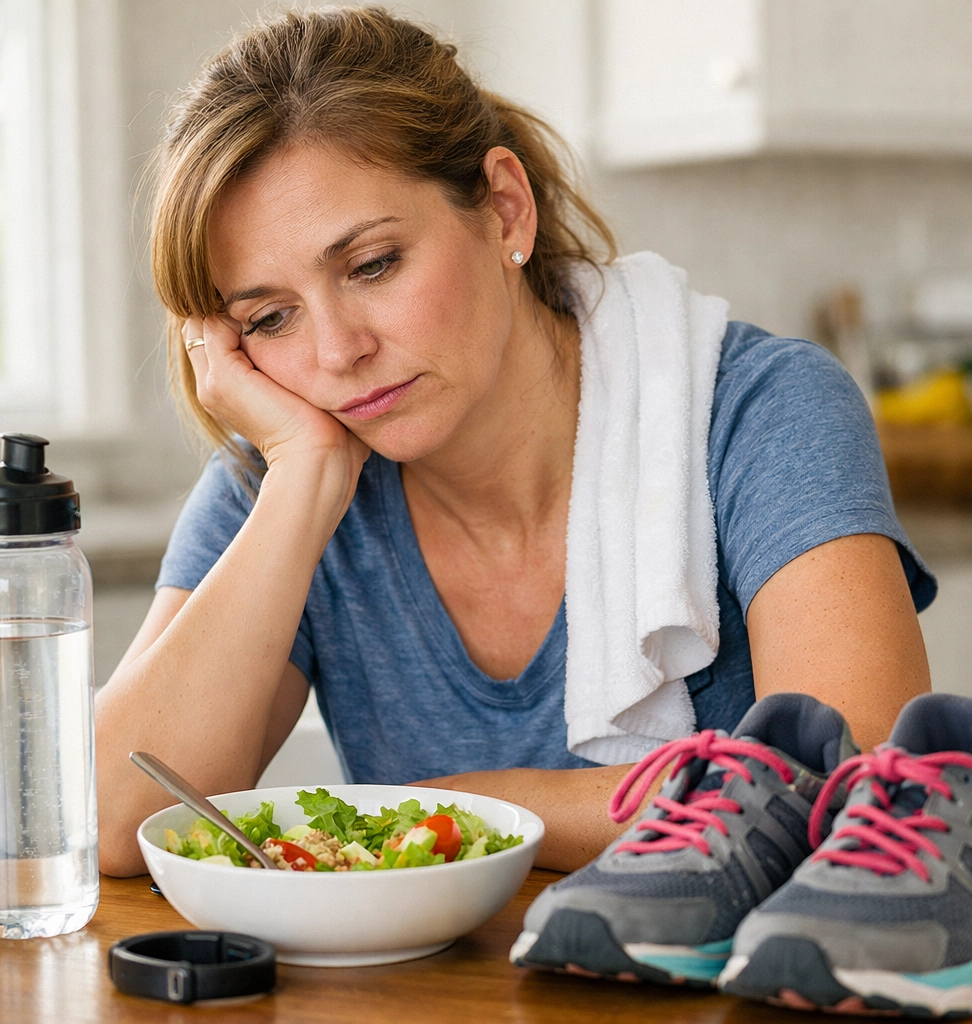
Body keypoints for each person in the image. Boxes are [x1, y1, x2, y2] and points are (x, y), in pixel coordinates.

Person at [95, 6, 935, 878]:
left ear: (504, 210)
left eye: (374, 265)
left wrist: (451, 811)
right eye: (270, 317)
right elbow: (119, 824)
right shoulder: (282, 475)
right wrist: (302, 485)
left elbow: (855, 784)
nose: (337, 352)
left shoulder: (760, 410)